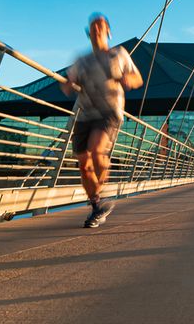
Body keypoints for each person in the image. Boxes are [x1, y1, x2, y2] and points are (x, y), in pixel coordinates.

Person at [61, 12, 142, 228]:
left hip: (109, 112)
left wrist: (128, 79)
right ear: (89, 33)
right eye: (93, 26)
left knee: (97, 151)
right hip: (84, 113)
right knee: (83, 165)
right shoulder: (81, 59)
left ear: (108, 31)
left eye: (101, 25)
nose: (97, 28)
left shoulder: (119, 54)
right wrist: (68, 85)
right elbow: (68, 82)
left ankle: (101, 193)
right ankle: (97, 205)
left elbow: (138, 77)